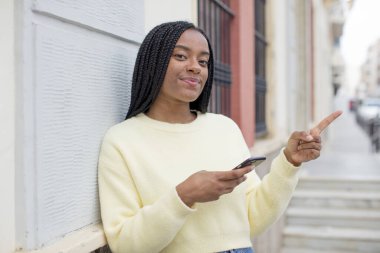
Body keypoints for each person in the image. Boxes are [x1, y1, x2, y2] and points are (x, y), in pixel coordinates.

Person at [98, 21, 342, 253]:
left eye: (203, 61)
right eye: (181, 56)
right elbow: (125, 244)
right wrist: (185, 195)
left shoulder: (224, 128)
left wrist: (289, 162)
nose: (195, 66)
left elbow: (252, 220)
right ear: (154, 63)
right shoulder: (122, 141)